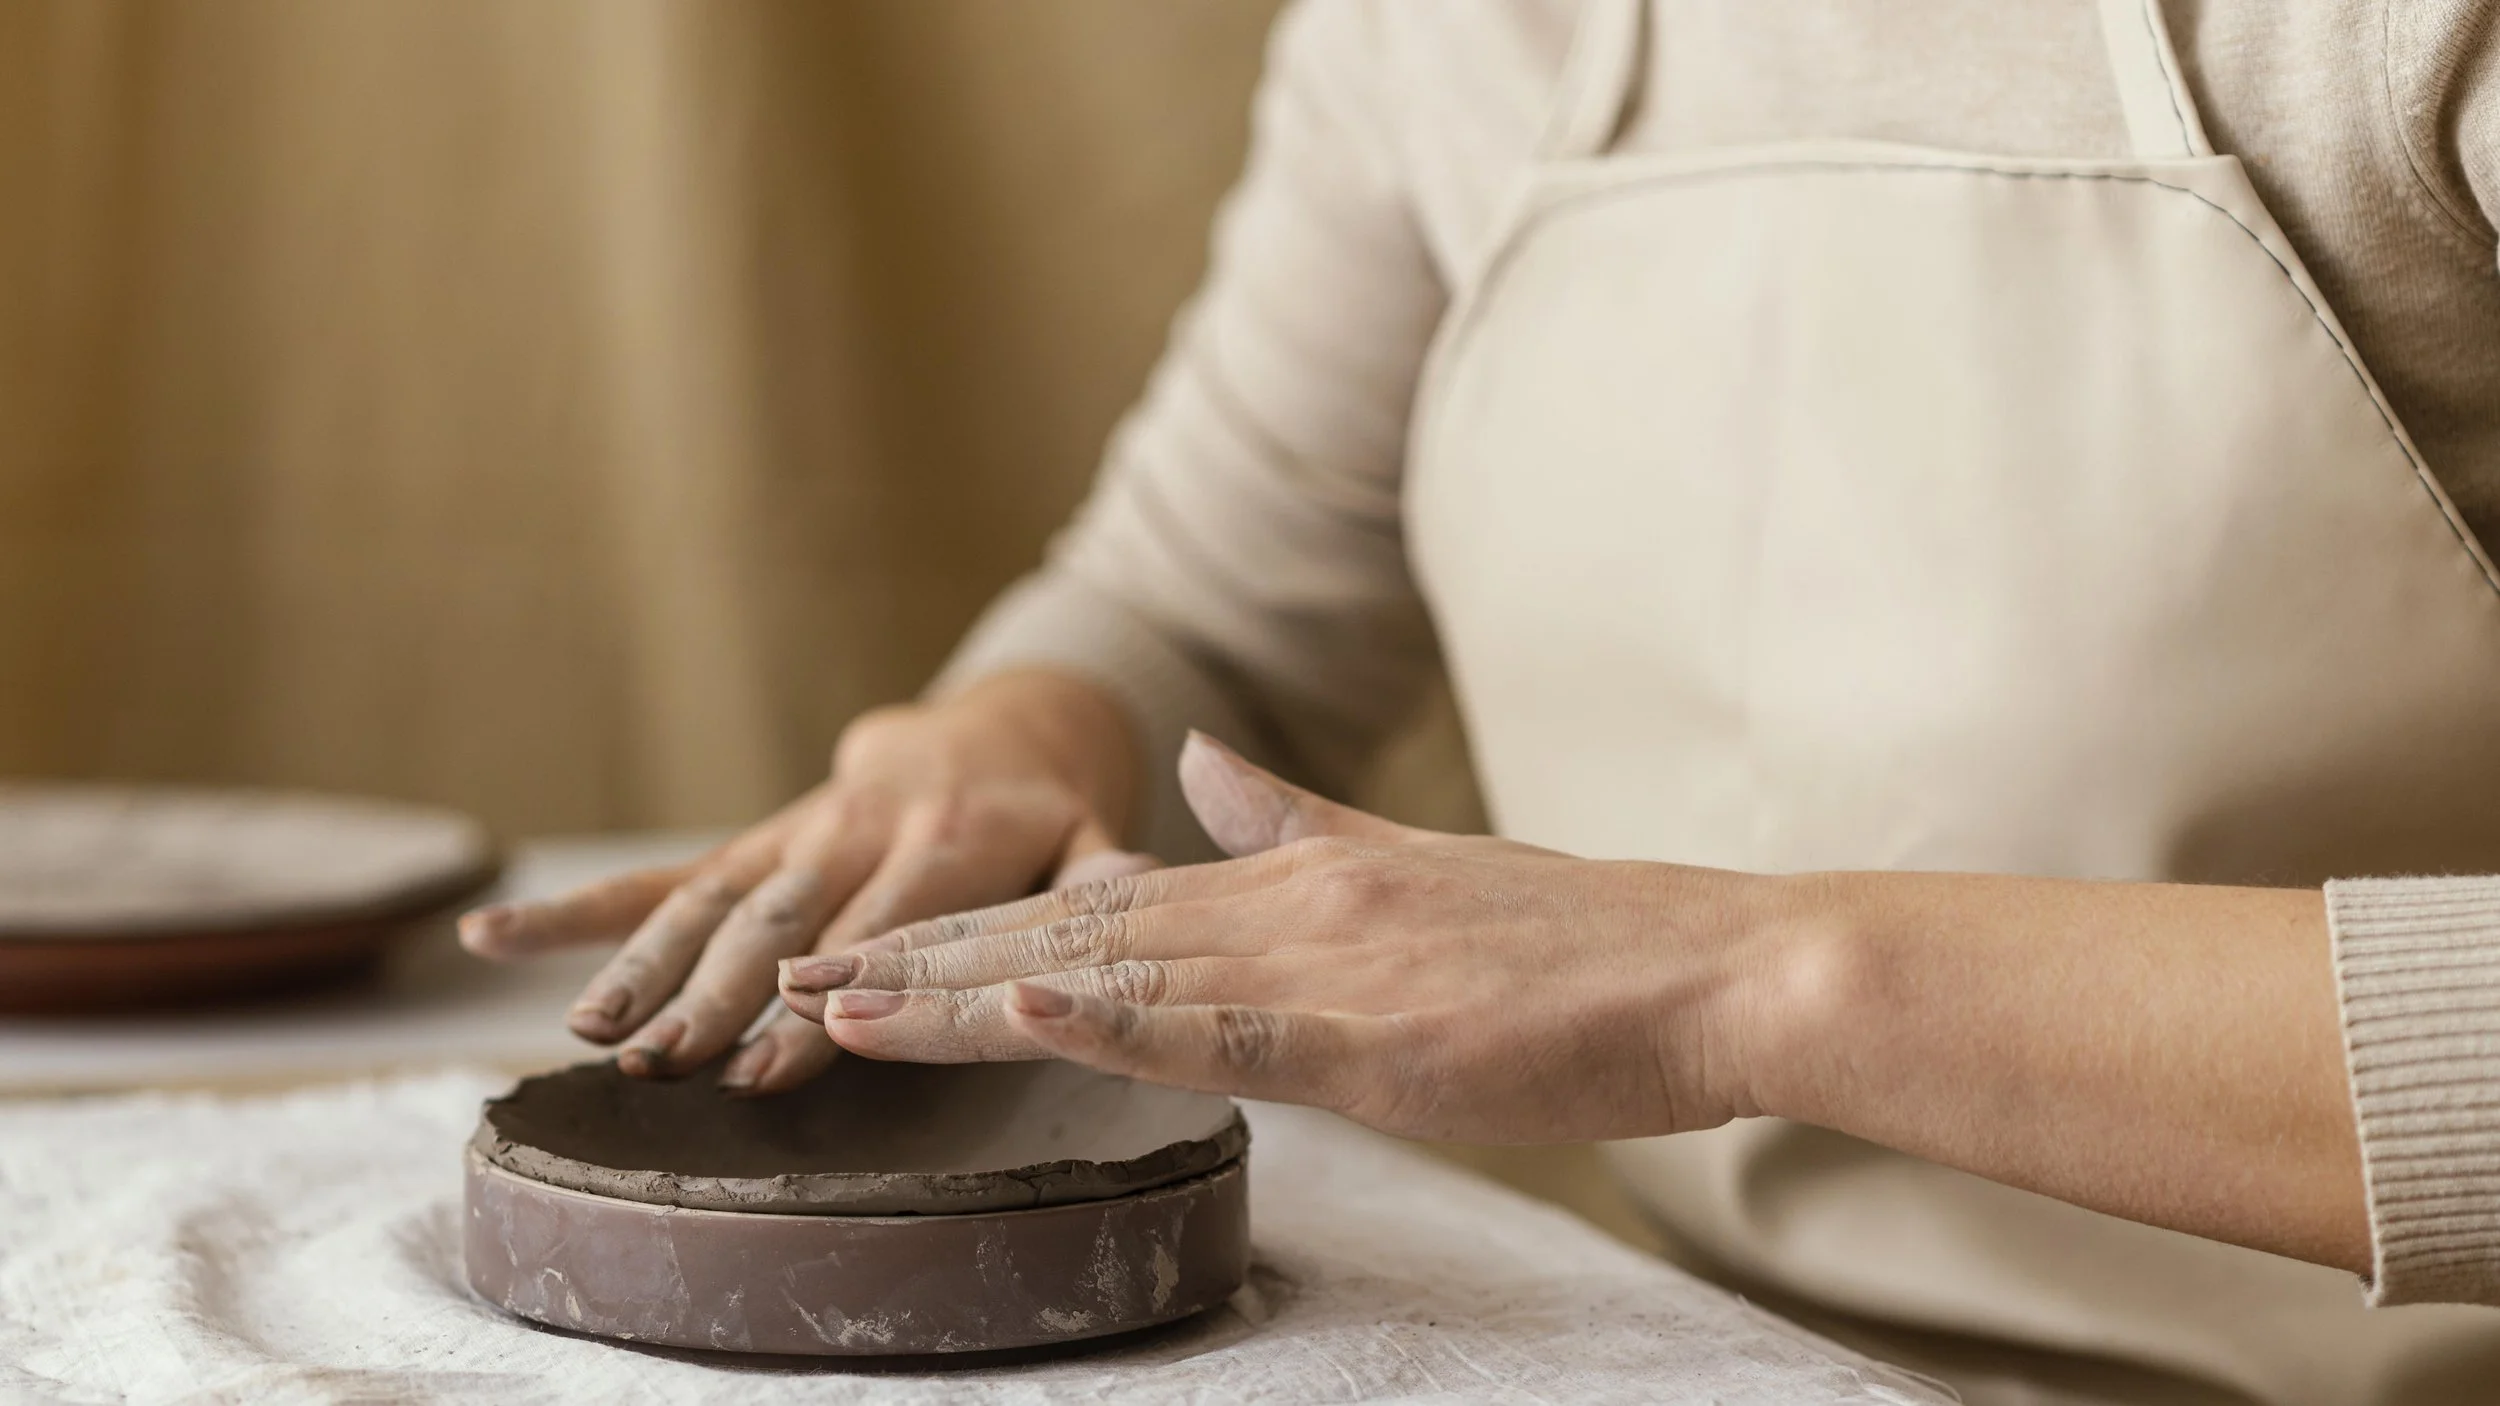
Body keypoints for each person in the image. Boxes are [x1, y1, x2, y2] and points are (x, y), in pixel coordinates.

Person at [460, 3, 2500, 1401]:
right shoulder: (1448, 28)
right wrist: (1023, 730)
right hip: (1698, 1352)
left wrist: (1743, 985)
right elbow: (1212, 602)